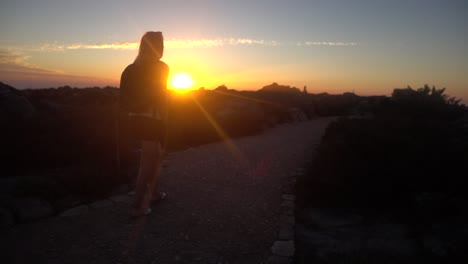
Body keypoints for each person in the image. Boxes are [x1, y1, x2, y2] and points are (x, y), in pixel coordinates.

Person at [119, 31, 169, 217]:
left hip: (135, 118)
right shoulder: (161, 67)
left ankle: (154, 194)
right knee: (148, 162)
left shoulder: (131, 68)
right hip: (152, 119)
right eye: (161, 45)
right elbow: (161, 96)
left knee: (153, 157)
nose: (163, 49)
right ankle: (137, 206)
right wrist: (165, 120)